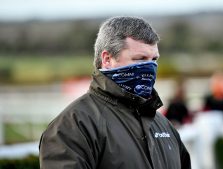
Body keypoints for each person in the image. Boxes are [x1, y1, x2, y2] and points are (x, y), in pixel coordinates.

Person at [39, 16, 191, 169]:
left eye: (154, 59)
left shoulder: (163, 125)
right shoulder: (73, 126)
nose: (150, 67)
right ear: (107, 59)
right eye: (140, 59)